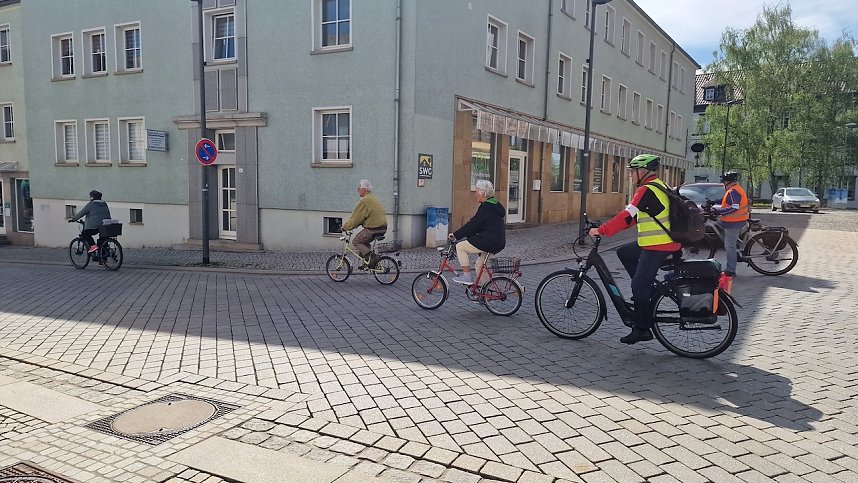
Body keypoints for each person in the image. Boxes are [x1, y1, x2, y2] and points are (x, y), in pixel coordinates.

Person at [589, 154, 681, 344]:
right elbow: (634, 218)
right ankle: (647, 292)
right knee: (624, 253)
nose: (631, 175)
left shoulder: (646, 190)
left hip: (659, 244)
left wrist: (601, 230)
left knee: (638, 285)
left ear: (642, 171)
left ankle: (642, 329)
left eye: (632, 171)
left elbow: (626, 216)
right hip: (659, 242)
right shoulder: (659, 185)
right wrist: (608, 228)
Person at [448, 180, 506, 285]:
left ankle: (467, 276)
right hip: (497, 241)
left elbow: (473, 224)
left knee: (460, 247)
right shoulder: (495, 205)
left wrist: (456, 235)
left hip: (490, 241)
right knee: (479, 265)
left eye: (477, 191)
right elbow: (479, 225)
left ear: (483, 193)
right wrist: (467, 235)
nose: (475, 194)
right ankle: (485, 289)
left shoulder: (486, 207)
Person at [709, 170, 749, 292]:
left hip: (734, 222)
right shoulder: (733, 189)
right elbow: (726, 200)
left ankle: (731, 270)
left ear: (727, 181)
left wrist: (719, 211)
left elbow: (734, 207)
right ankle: (735, 250)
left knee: (729, 246)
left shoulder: (733, 191)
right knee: (717, 225)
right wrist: (714, 202)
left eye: (724, 181)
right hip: (731, 221)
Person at [341, 179, 387, 268]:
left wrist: (345, 227)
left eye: (359, 188)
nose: (357, 190)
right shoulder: (373, 198)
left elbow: (356, 218)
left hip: (373, 229)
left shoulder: (364, 201)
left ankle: (373, 258)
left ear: (364, 190)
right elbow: (365, 216)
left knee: (356, 241)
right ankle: (368, 263)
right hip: (382, 228)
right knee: (364, 242)